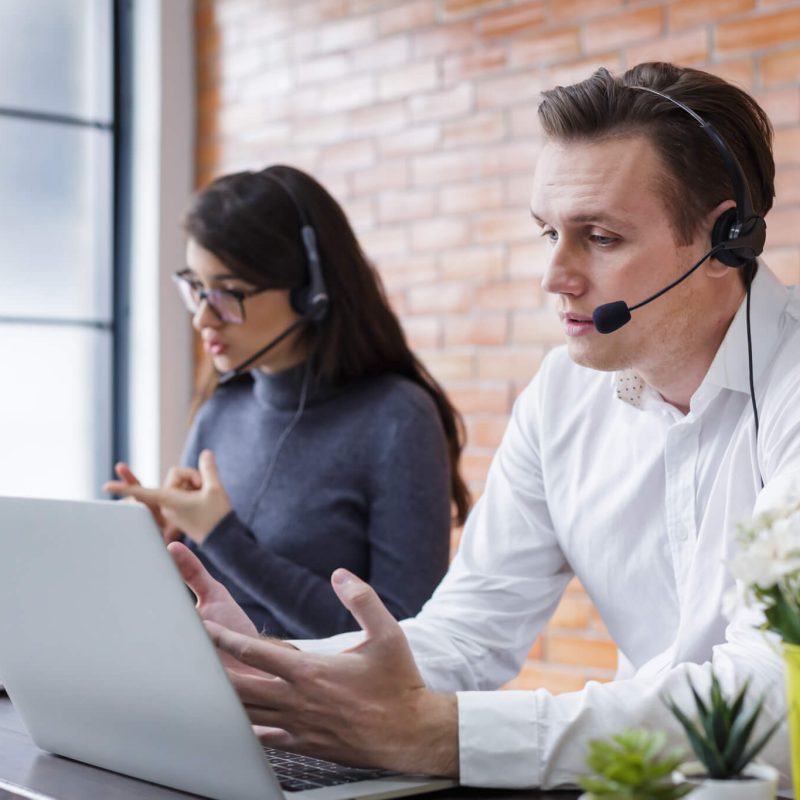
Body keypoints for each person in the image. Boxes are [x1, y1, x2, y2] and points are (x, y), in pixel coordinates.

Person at [166, 62, 796, 788]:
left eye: (599, 237)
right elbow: (468, 630)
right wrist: (280, 668)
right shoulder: (562, 396)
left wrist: (443, 734)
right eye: (547, 234)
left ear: (726, 241)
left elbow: (772, 701)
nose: (555, 276)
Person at [105, 165, 470, 639]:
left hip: (310, 713)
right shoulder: (222, 407)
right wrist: (160, 553)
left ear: (310, 292)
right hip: (208, 694)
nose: (202, 318)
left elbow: (403, 642)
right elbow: (199, 615)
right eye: (196, 287)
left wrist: (221, 536)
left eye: (227, 293)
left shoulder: (397, 418)